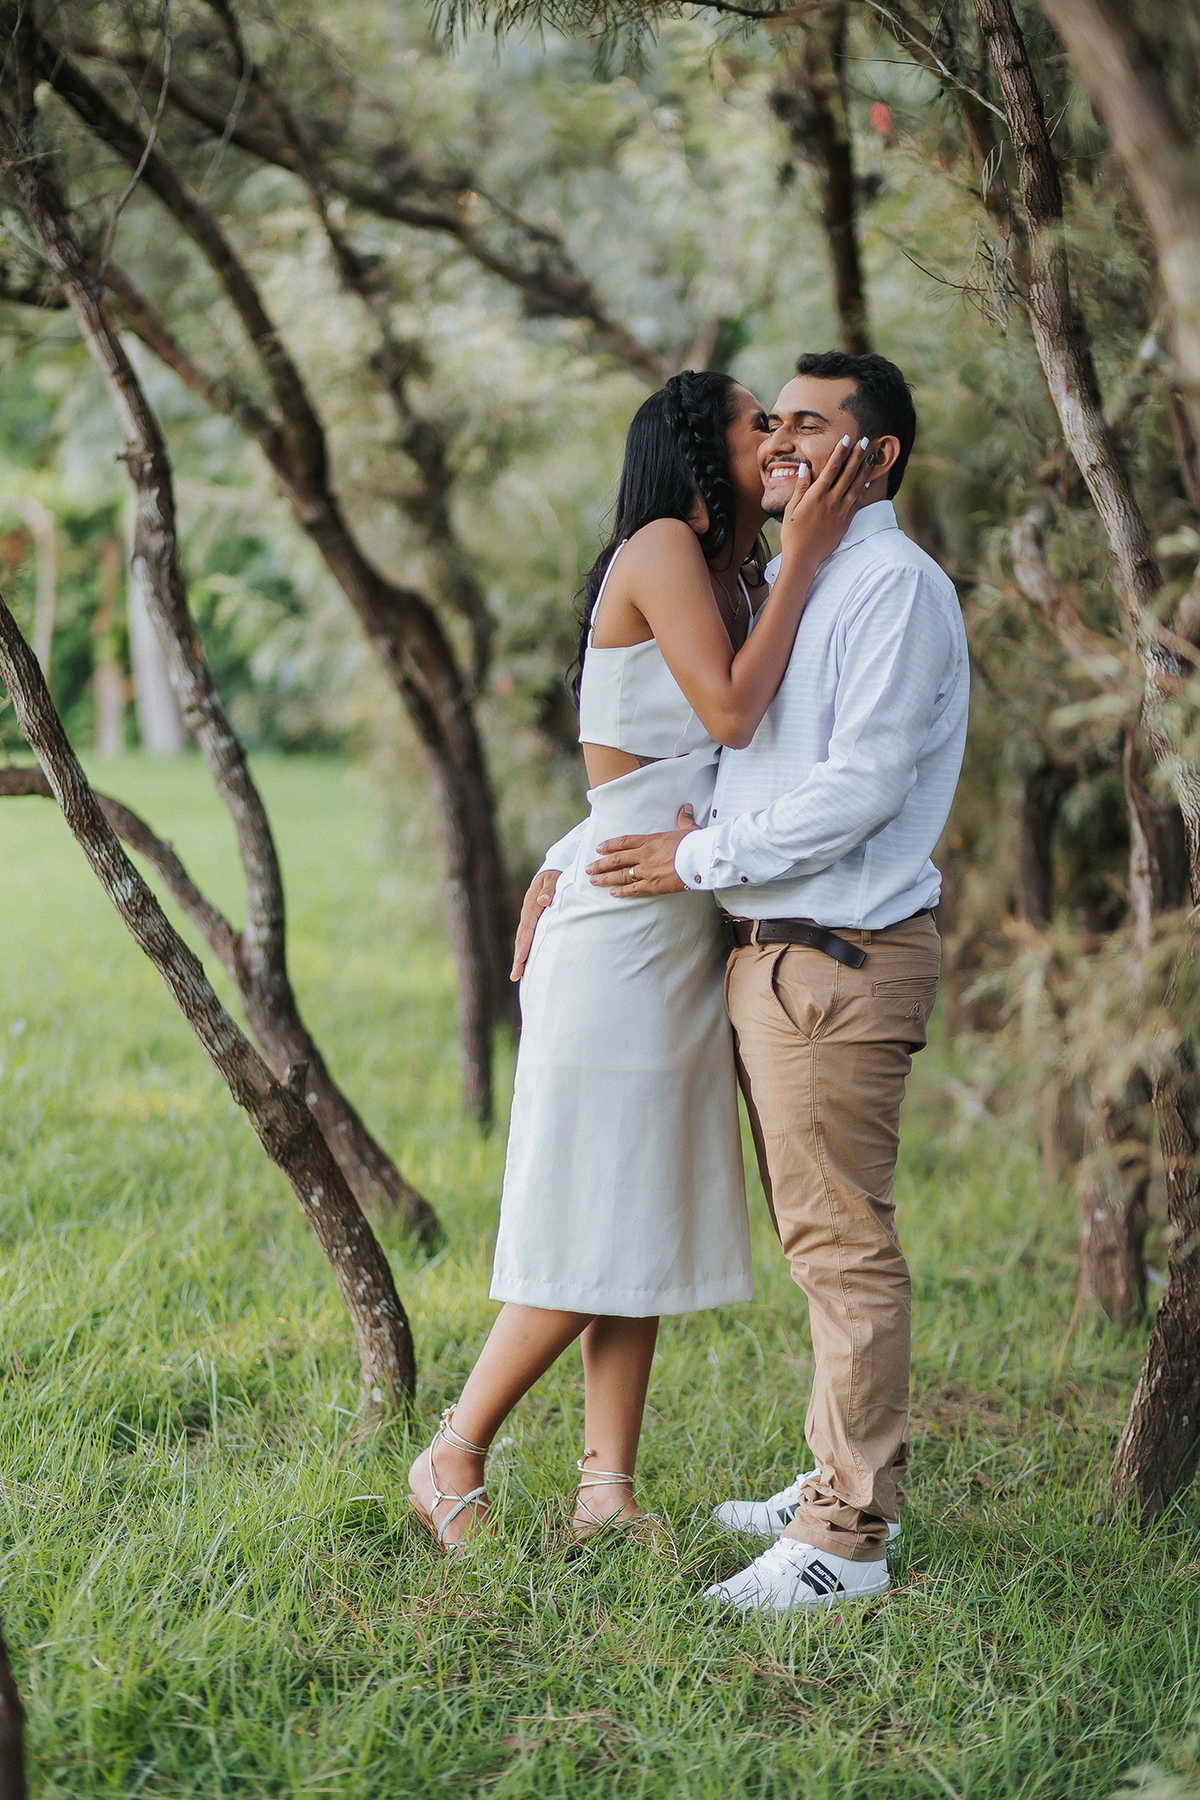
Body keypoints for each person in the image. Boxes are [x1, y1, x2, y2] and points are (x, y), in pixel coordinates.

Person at [408, 369, 870, 1551]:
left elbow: (693, 773)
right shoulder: (663, 546)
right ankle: (454, 1447)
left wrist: (790, 558)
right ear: (701, 449)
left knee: (640, 1210)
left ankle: (605, 1490)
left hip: (680, 926)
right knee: (597, 1205)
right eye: (755, 423)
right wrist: (807, 554)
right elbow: (725, 717)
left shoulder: (737, 574)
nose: (775, 438)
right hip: (620, 927)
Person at [542, 351, 970, 1612]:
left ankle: (844, 1542)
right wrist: (578, 857)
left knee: (845, 1253)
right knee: (815, 1237)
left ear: (874, 455)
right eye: (770, 422)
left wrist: (694, 859)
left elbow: (857, 790)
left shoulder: (890, 586)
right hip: (769, 956)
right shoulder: (791, 576)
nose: (780, 440)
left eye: (809, 425)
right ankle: (831, 1466)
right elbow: (708, 751)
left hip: (837, 957)